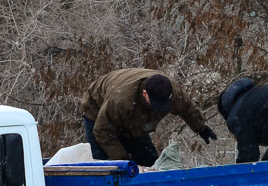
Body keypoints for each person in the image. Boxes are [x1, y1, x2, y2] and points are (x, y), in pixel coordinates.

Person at [80, 68, 216, 166]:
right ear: (145, 93)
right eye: (156, 104)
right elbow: (102, 131)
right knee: (109, 166)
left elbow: (188, 109)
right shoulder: (122, 100)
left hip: (135, 121)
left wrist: (201, 128)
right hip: (97, 111)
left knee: (150, 162)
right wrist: (124, 160)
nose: (160, 108)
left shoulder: (173, 92)